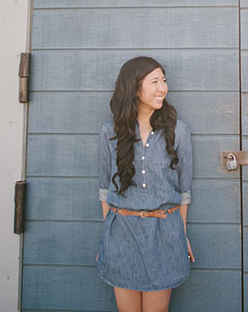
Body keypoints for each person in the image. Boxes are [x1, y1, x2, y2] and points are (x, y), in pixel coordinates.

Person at [97, 56, 194, 312]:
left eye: (164, 80)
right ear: (135, 87)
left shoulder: (178, 131)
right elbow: (104, 190)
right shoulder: (110, 132)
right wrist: (108, 238)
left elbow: (184, 191)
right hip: (122, 235)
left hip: (164, 235)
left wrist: (181, 235)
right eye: (155, 82)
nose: (162, 88)